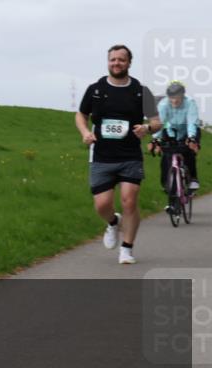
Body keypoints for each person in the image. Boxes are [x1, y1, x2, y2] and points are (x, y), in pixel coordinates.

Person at [75, 45, 160, 265]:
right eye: (112, 60)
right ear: (108, 62)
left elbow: (156, 121)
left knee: (129, 201)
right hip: (101, 156)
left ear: (129, 63)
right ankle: (113, 222)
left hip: (130, 155)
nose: (116, 63)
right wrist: (85, 132)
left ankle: (127, 249)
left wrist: (147, 129)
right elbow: (81, 115)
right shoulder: (95, 89)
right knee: (102, 205)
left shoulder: (142, 91)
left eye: (121, 60)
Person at [148, 81, 201, 197]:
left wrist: (191, 138)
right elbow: (160, 123)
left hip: (188, 130)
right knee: (166, 155)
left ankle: (193, 179)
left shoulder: (190, 103)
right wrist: (155, 139)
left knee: (189, 151)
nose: (175, 101)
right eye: (172, 98)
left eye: (177, 98)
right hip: (171, 130)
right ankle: (166, 183)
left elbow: (192, 122)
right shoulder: (163, 104)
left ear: (183, 95)